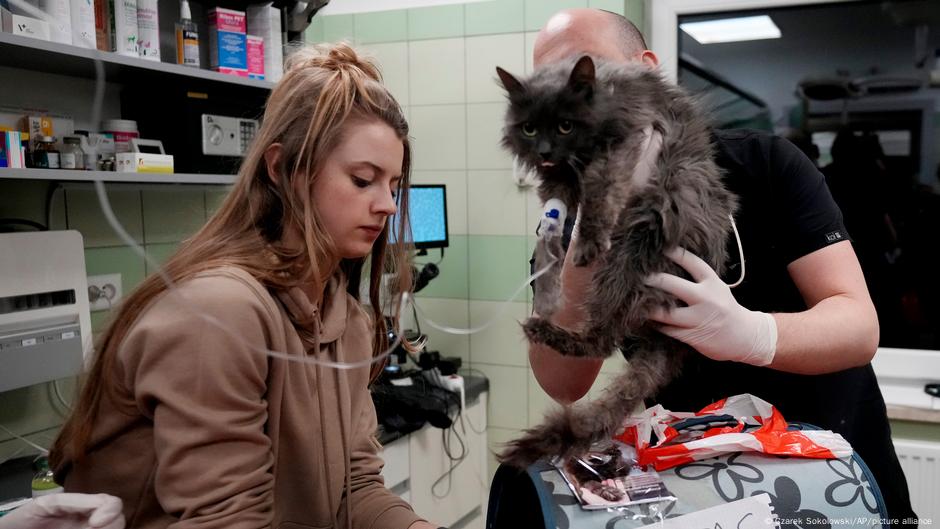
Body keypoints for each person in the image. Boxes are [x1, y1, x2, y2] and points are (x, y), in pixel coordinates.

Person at [527, 8, 916, 525]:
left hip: (832, 472)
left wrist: (753, 334)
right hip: (705, 487)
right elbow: (561, 380)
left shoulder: (767, 166)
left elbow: (858, 325)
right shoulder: (565, 220)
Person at [49, 43, 440, 529]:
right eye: (363, 180)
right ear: (281, 169)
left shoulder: (347, 321)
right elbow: (227, 521)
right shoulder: (217, 313)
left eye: (394, 186)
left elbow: (354, 488)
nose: (386, 205)